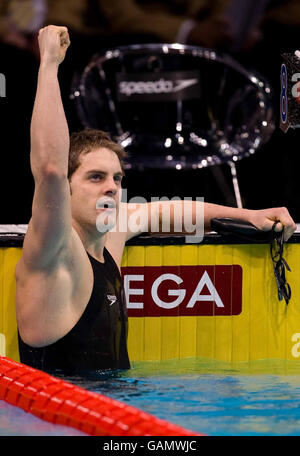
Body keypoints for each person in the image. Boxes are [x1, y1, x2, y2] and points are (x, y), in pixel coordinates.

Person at [15, 26, 297, 373]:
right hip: (58, 423)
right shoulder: (55, 247)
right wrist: (48, 64)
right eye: (95, 177)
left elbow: (164, 211)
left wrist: (248, 214)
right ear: (66, 190)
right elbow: (49, 169)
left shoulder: (107, 238)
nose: (111, 187)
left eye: (117, 178)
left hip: (115, 414)